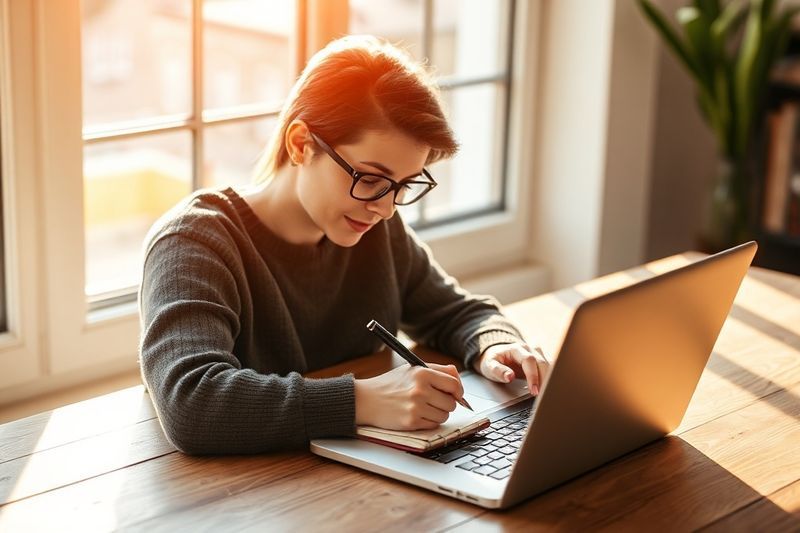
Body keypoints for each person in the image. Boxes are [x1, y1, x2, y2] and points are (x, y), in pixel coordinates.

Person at [139, 35, 548, 455]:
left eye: (404, 185)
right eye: (370, 178)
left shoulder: (371, 225)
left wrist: (496, 345)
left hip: (354, 480)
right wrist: (364, 400)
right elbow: (191, 401)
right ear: (300, 144)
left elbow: (455, 312)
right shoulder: (193, 243)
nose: (386, 209)